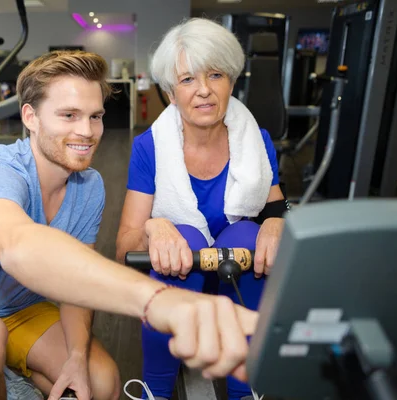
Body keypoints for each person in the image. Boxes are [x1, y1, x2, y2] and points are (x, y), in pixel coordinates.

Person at [0, 50, 258, 400]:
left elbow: (75, 286)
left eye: (95, 116)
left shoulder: (89, 186)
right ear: (30, 116)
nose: (86, 131)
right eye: (69, 115)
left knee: (100, 383)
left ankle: (10, 379)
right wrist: (160, 302)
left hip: (23, 311)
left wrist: (74, 357)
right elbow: (17, 246)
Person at [116, 18, 288, 400]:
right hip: (178, 277)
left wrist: (277, 223)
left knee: (250, 233)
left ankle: (247, 391)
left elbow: (277, 206)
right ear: (171, 92)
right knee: (185, 235)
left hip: (236, 274)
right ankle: (154, 390)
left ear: (231, 81)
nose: (204, 91)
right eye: (188, 79)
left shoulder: (256, 141)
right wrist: (154, 227)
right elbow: (124, 248)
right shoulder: (150, 147)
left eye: (215, 75)